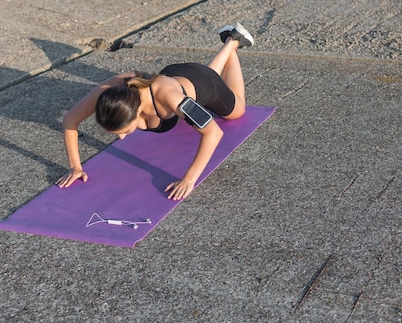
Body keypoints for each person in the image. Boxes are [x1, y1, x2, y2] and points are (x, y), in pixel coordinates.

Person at [56, 23, 254, 200]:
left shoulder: (171, 99)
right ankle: (228, 44)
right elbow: (70, 119)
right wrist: (75, 167)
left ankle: (232, 42)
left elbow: (213, 132)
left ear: (137, 111)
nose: (122, 138)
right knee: (201, 86)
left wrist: (188, 179)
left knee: (237, 111)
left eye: (125, 131)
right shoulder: (115, 90)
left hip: (203, 85)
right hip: (176, 75)